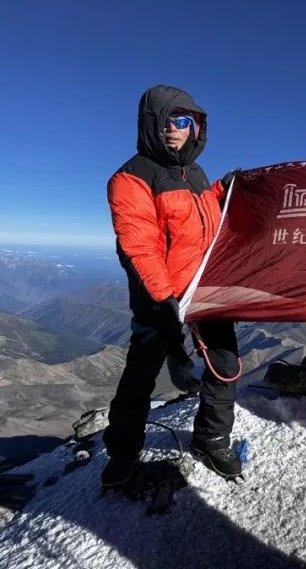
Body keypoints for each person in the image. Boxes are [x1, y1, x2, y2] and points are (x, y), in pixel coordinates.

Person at [102, 85, 241, 488]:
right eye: (165, 120)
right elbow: (140, 247)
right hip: (158, 297)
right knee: (140, 376)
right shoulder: (130, 178)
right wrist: (164, 303)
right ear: (150, 124)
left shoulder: (194, 174)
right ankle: (123, 453)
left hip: (204, 289)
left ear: (196, 127)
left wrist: (222, 189)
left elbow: (201, 218)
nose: (174, 128)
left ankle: (211, 439)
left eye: (184, 121)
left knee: (225, 363)